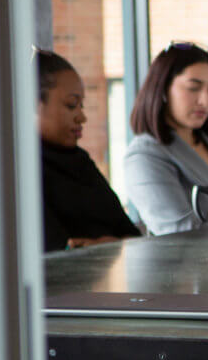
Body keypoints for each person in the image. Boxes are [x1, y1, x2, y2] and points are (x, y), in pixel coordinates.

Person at [125, 42, 208, 235]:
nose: (205, 100)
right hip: (198, 263)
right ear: (162, 91)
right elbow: (179, 232)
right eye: (193, 88)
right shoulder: (144, 155)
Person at [34, 49, 139, 251]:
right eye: (71, 105)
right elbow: (61, 253)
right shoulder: (18, 171)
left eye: (81, 106)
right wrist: (112, 243)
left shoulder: (79, 161)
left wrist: (99, 245)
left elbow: (133, 236)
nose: (82, 117)